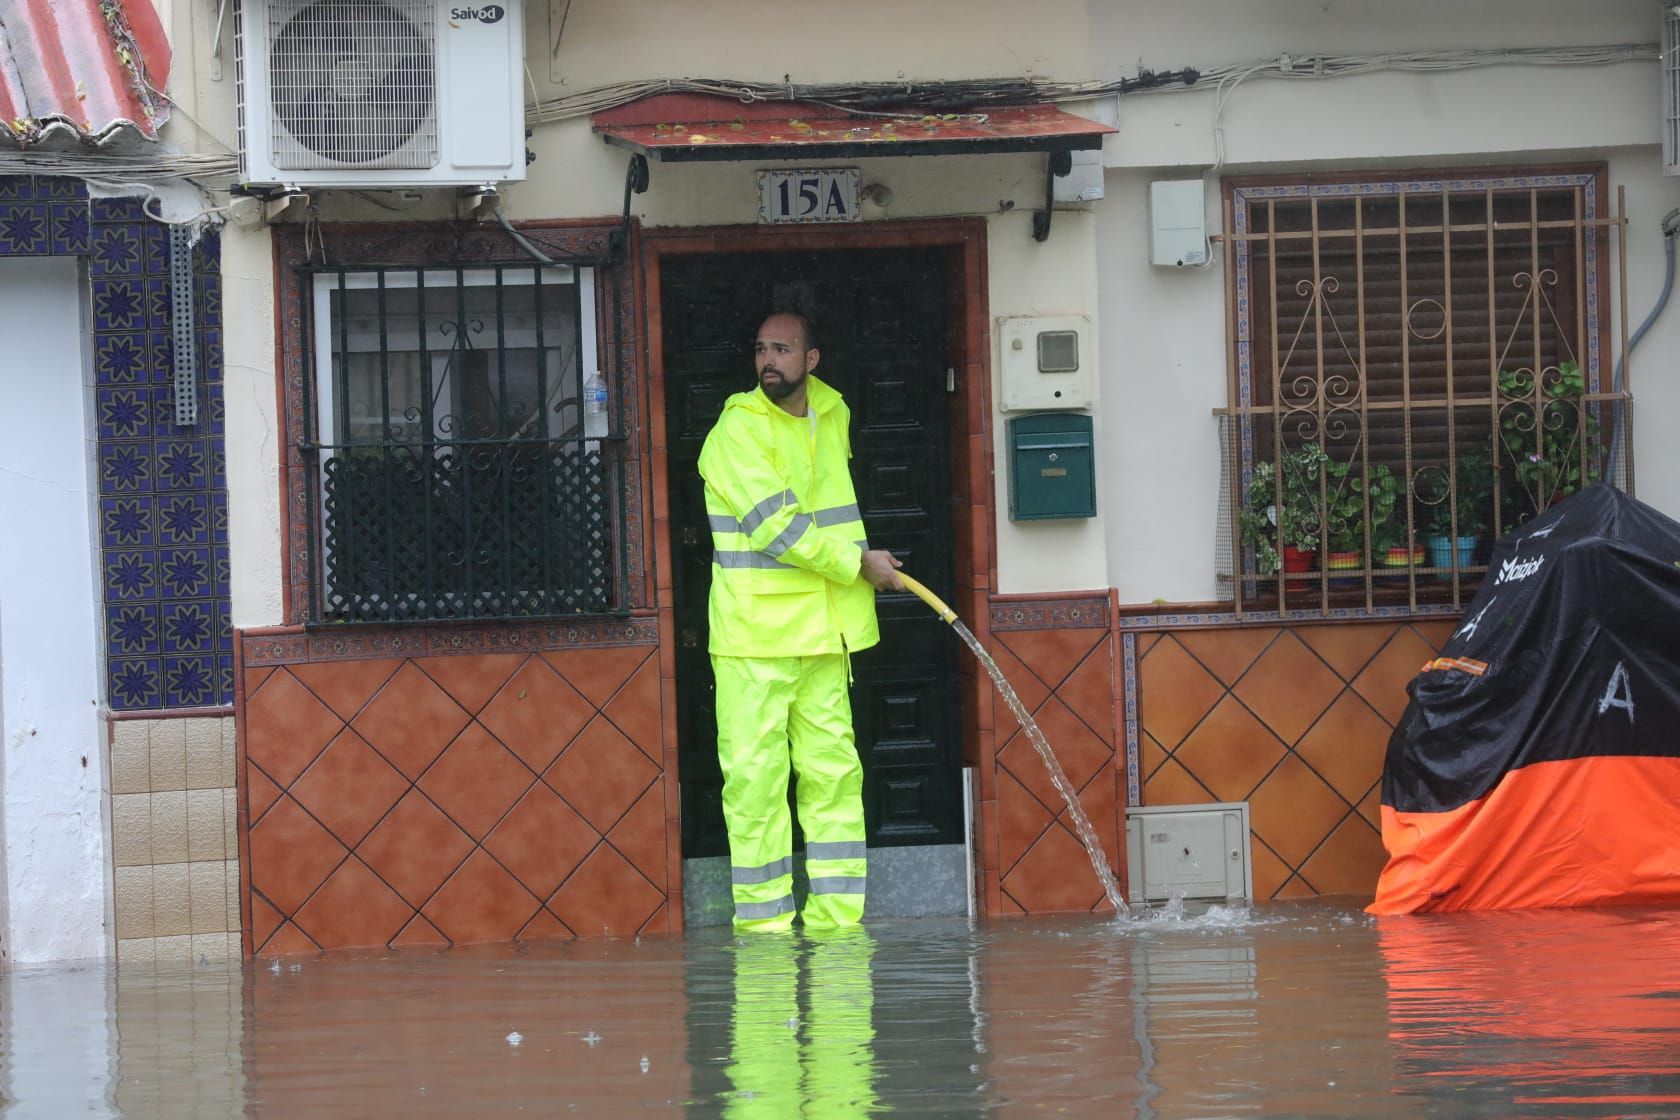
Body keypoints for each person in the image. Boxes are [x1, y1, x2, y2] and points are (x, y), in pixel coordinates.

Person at [698, 311, 903, 932]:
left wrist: (850, 572)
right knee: (757, 789)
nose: (769, 359)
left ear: (811, 360)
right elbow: (776, 527)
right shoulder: (737, 429)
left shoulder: (831, 412)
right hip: (755, 640)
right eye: (761, 348)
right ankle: (764, 935)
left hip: (823, 633)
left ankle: (839, 928)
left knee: (835, 779)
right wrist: (857, 563)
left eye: (783, 349)